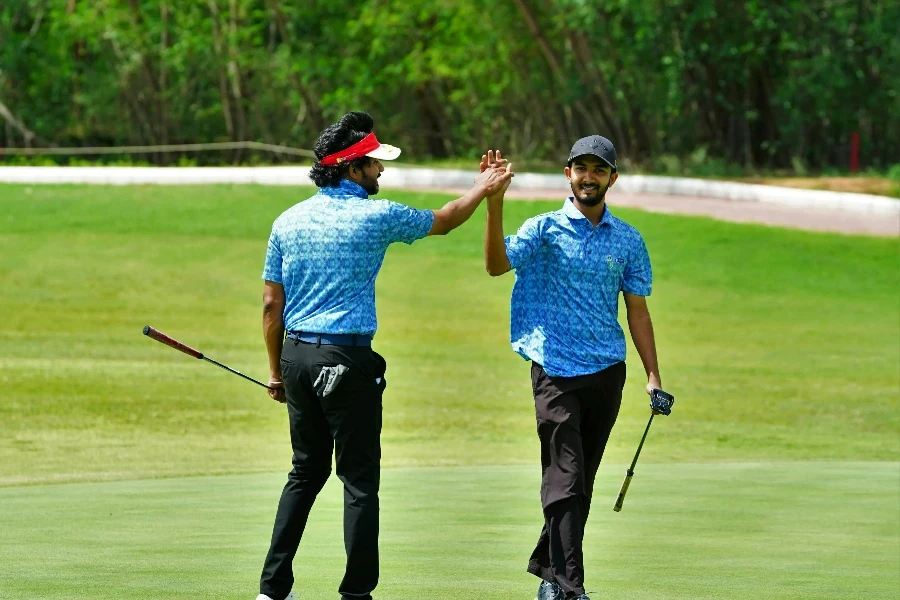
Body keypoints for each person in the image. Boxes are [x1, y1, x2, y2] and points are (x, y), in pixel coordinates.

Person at [257, 111, 513, 600]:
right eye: (374, 163)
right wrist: (484, 187)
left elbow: (272, 304)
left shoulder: (286, 221)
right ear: (352, 167)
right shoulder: (377, 215)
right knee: (357, 481)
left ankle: (272, 590)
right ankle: (356, 593)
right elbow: (446, 219)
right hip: (346, 361)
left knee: (304, 473)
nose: (381, 171)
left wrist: (276, 372)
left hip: (296, 356)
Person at [482, 137, 662, 600]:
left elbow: (637, 312)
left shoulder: (627, 240)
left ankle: (549, 575)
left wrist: (653, 376)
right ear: (568, 174)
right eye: (581, 168)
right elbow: (496, 265)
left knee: (580, 481)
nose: (588, 177)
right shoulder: (542, 229)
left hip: (606, 371)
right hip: (555, 368)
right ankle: (571, 588)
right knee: (565, 473)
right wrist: (494, 204)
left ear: (612, 178)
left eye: (598, 170)